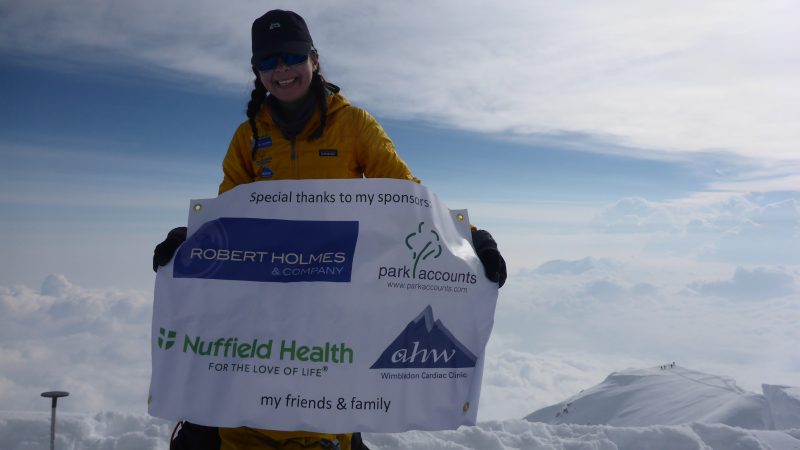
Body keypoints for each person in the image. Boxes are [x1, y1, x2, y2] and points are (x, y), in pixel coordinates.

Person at [153, 9, 507, 450]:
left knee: (323, 388)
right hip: (268, 289)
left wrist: (469, 237)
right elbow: (226, 214)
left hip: (335, 288)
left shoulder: (354, 124)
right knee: (259, 383)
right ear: (257, 72)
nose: (281, 69)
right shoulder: (248, 137)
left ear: (314, 60)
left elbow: (405, 195)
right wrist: (189, 236)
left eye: (291, 56)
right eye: (267, 62)